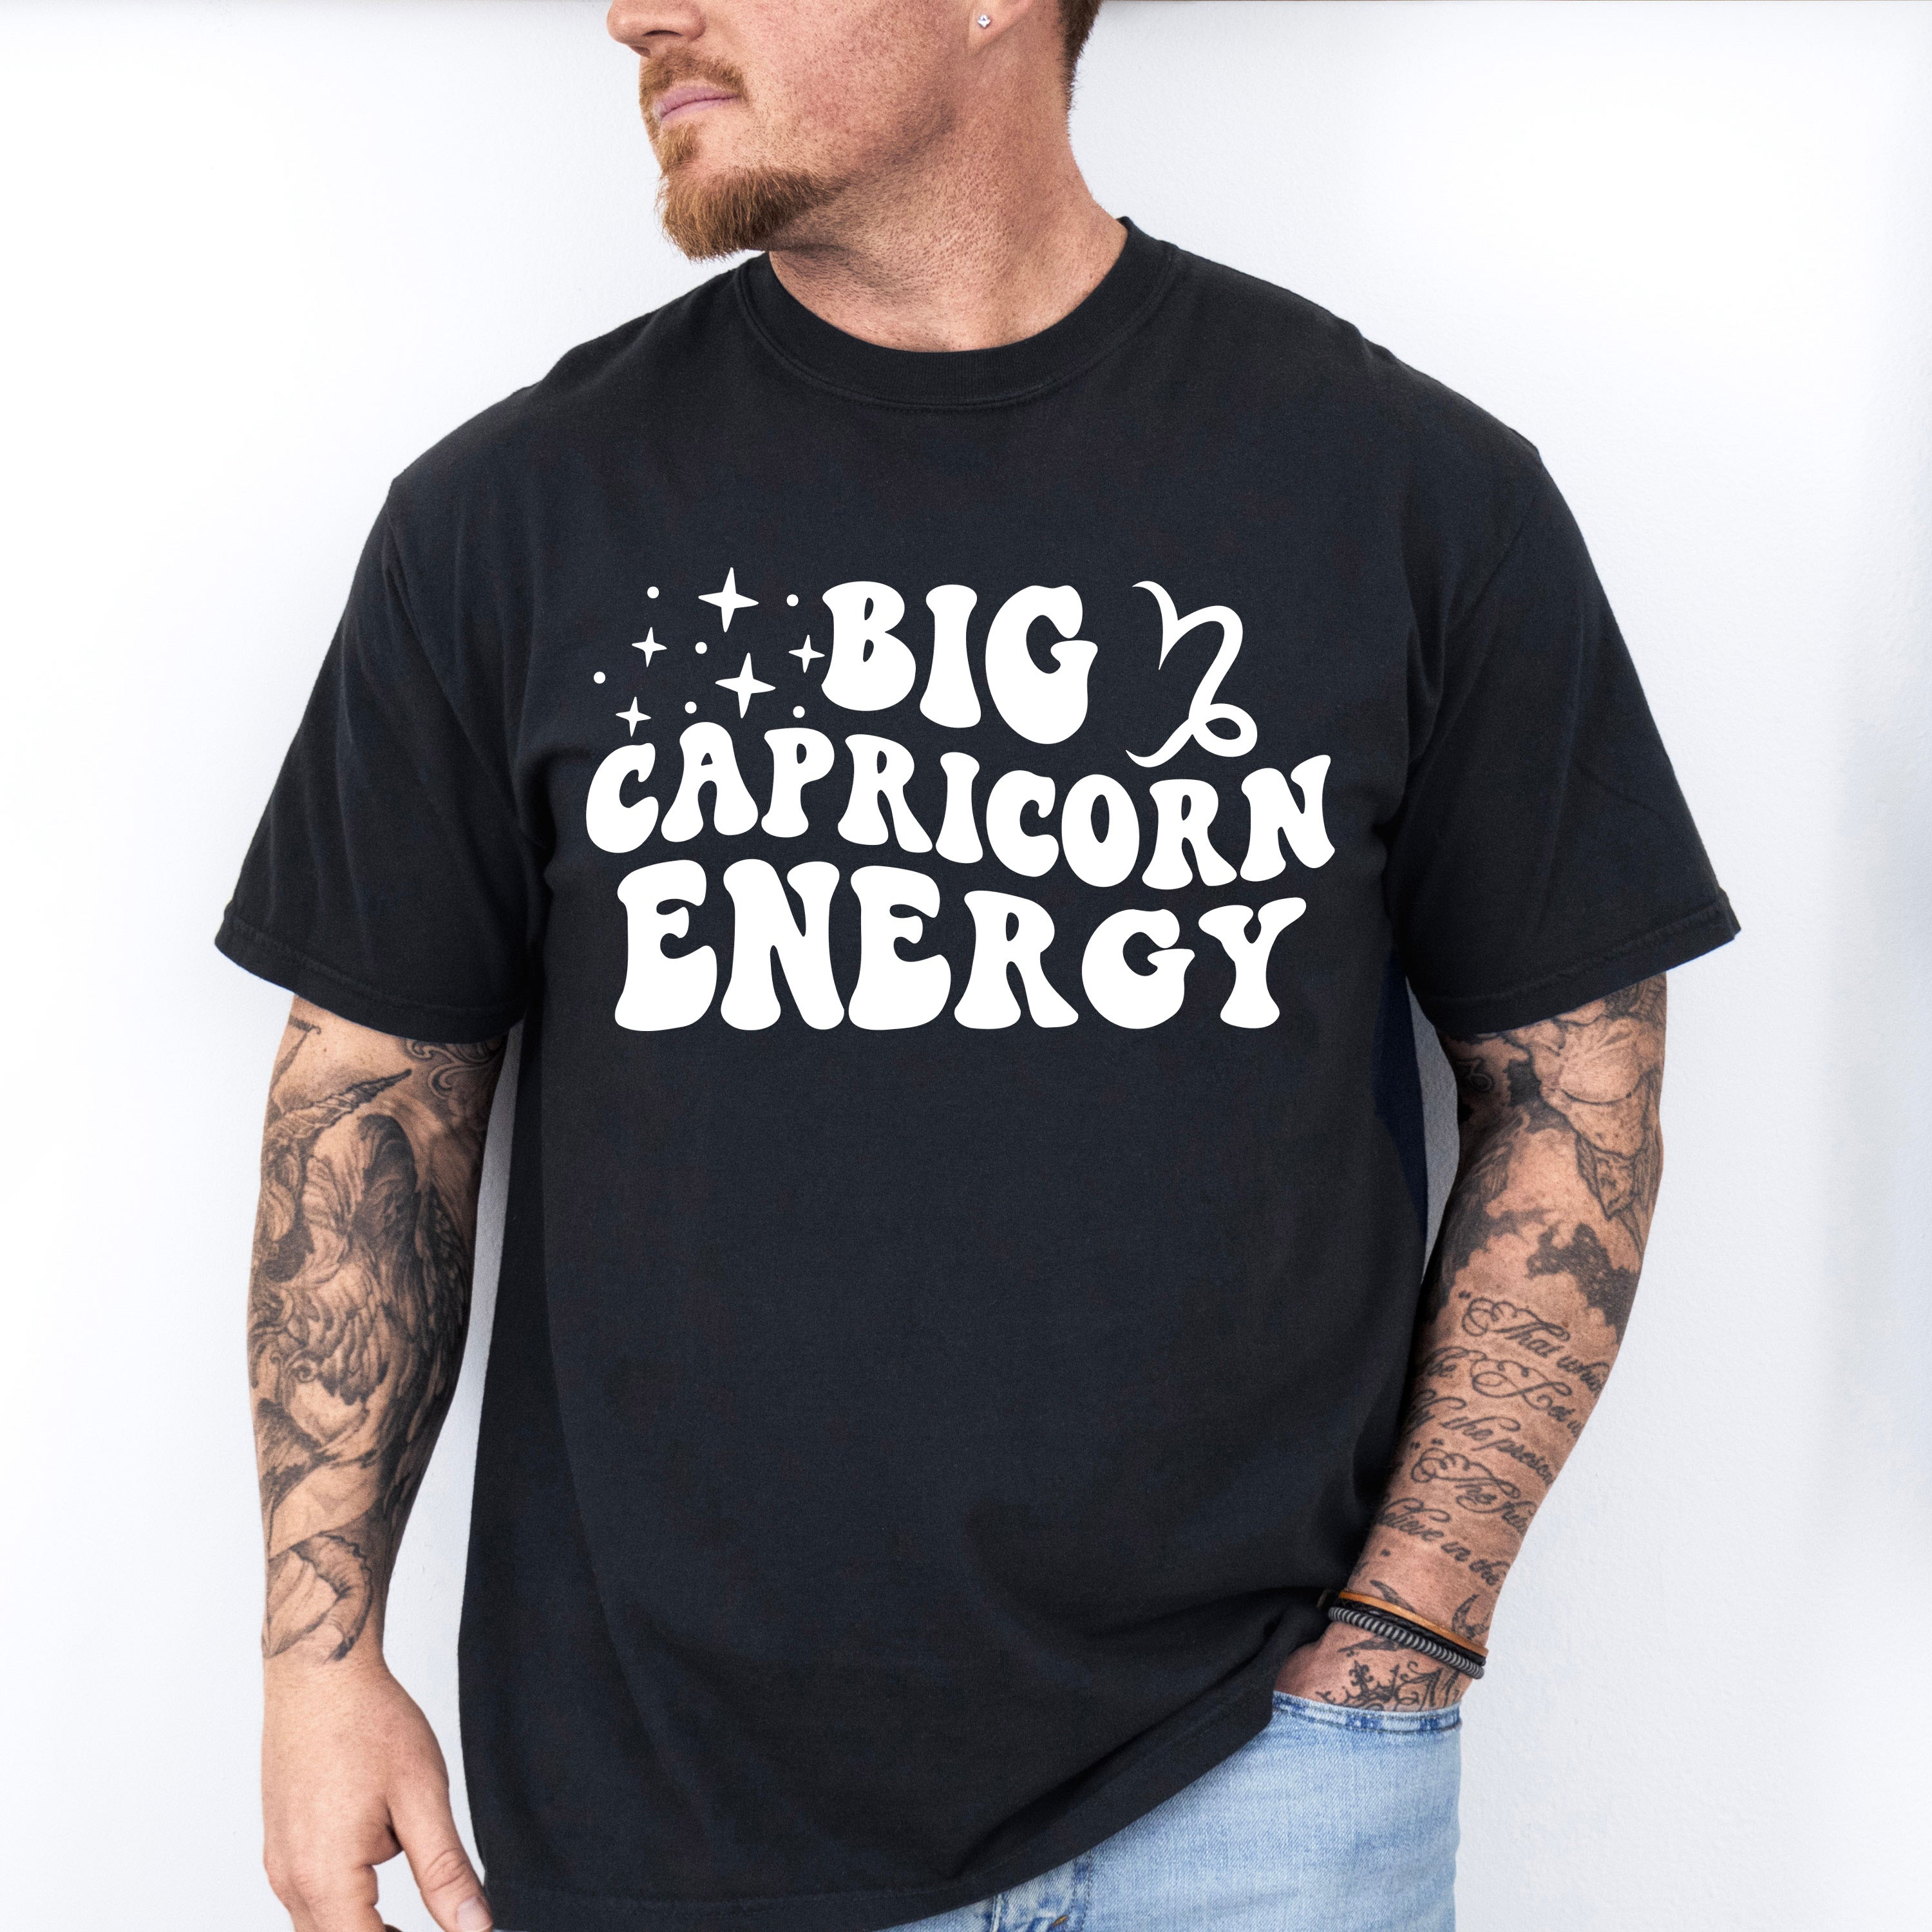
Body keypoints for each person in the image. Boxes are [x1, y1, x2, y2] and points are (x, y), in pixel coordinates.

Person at [224, 1, 1739, 1928]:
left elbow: (1575, 1084)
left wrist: (1407, 1632)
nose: (636, 12)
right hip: (671, 1822)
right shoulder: (511, 519)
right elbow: (372, 1099)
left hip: (1252, 1807)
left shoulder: (1409, 494)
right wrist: (318, 1656)